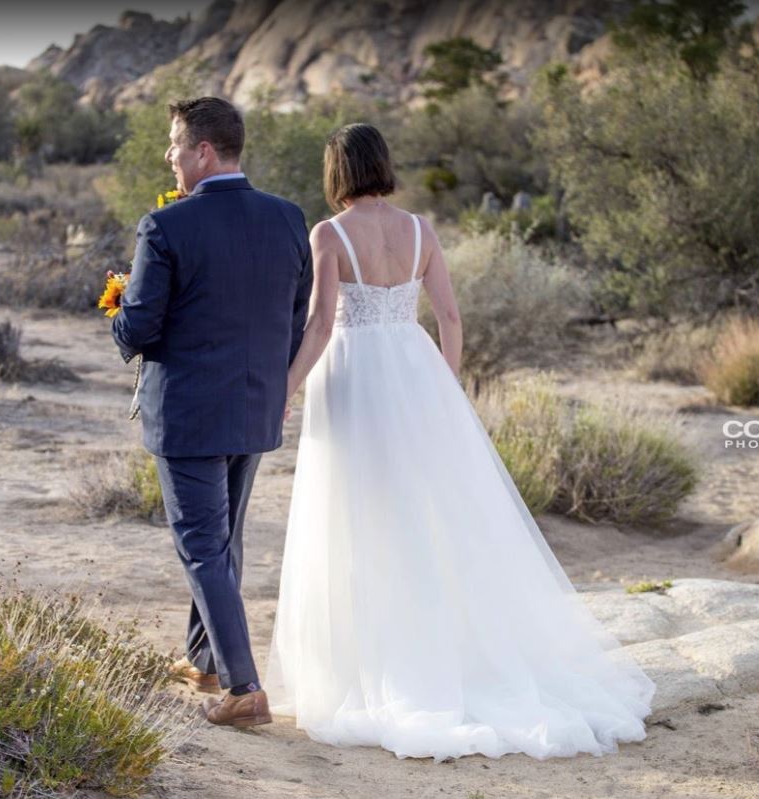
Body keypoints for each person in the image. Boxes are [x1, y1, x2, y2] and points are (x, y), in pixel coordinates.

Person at [263, 123, 656, 761]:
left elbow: (319, 324)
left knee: (356, 515)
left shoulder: (329, 234)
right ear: (382, 165)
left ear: (337, 172)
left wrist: (285, 386)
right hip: (416, 373)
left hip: (355, 375)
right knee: (431, 516)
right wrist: (443, 387)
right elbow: (449, 316)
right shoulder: (421, 229)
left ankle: (376, 666)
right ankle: (448, 652)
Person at [110, 96, 313, 728]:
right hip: (256, 408)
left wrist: (118, 310)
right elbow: (294, 315)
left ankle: (244, 688)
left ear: (203, 151)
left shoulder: (165, 227)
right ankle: (205, 660)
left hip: (191, 415)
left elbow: (140, 330)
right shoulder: (287, 219)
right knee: (222, 541)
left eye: (174, 145)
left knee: (202, 545)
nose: (168, 157)